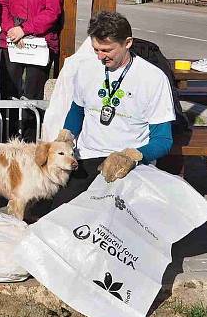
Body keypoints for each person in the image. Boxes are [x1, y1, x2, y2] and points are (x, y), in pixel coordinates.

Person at [52, 11, 175, 208]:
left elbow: (163, 140)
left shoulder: (153, 78)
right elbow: (78, 111)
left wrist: (130, 156)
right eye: (96, 50)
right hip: (87, 157)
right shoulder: (85, 68)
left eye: (107, 50)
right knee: (57, 214)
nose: (100, 57)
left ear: (127, 43)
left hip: (128, 164)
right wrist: (66, 136)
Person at [0, 0, 64, 142]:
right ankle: (8, 140)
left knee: (33, 97)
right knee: (9, 93)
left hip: (40, 45)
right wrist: (11, 30)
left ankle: (29, 143)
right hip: (12, 43)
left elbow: (52, 12)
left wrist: (25, 29)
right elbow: (2, 4)